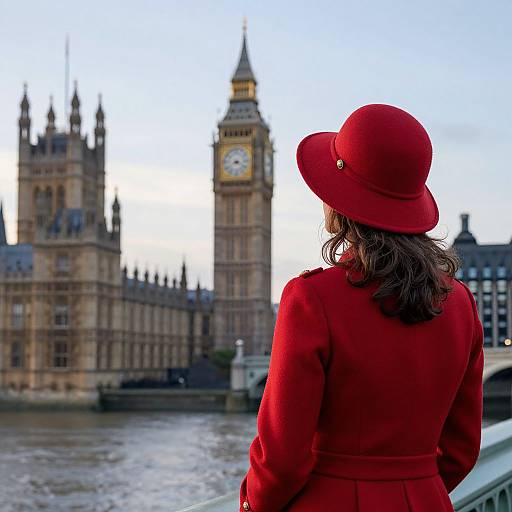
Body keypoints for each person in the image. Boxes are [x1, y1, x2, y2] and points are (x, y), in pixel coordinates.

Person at [238, 104, 484, 512]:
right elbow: (461, 451)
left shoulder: (311, 299)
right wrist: (412, 488)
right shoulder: (460, 304)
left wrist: (252, 506)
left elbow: (281, 460)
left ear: (339, 205)